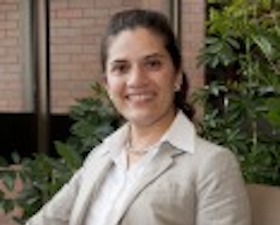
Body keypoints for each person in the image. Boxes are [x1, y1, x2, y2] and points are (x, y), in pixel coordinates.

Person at [26, 9, 251, 225]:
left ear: (177, 76)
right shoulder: (102, 155)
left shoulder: (211, 164)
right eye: (121, 68)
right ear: (107, 85)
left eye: (152, 64)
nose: (136, 80)